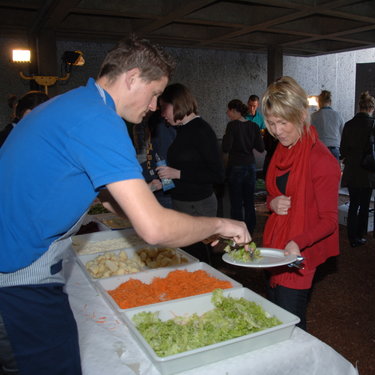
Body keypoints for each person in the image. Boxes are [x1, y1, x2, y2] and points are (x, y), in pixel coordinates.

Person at [0, 36, 250, 375]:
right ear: (132, 77)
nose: (153, 106)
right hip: (17, 275)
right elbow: (154, 228)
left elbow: (110, 198)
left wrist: (194, 231)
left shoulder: (74, 103)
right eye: (154, 94)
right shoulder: (98, 118)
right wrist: (219, 224)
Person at [261, 76, 341, 331]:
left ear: (301, 115)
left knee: (291, 326)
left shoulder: (321, 160)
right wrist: (272, 202)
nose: (277, 130)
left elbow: (329, 220)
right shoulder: (282, 150)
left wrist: (298, 242)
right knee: (276, 318)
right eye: (272, 123)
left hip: (298, 254)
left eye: (283, 122)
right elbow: (273, 193)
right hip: (276, 247)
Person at [157, 83, 225, 262]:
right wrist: (162, 181)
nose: (162, 114)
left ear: (177, 104)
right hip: (183, 203)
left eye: (164, 108)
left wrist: (178, 174)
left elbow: (218, 174)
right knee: (187, 257)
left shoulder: (202, 130)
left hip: (198, 206)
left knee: (199, 258)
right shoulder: (182, 130)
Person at [340, 91, 375, 247]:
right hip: (368, 170)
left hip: (352, 169)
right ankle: (360, 234)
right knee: (365, 204)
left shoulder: (348, 124)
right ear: (372, 107)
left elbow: (343, 150)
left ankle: (352, 236)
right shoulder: (374, 124)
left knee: (353, 203)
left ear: (359, 107)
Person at [222, 99, 265, 234]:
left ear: (235, 111)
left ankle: (237, 232)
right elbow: (261, 147)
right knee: (249, 202)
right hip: (250, 167)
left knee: (236, 203)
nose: (227, 113)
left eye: (229, 110)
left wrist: (226, 137)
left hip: (236, 166)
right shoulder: (253, 126)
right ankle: (250, 231)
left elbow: (225, 147)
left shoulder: (232, 126)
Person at [311, 90, 344, 160]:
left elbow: (310, 134)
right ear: (330, 102)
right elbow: (343, 134)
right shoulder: (337, 116)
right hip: (334, 148)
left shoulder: (313, 116)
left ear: (319, 102)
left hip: (319, 149)